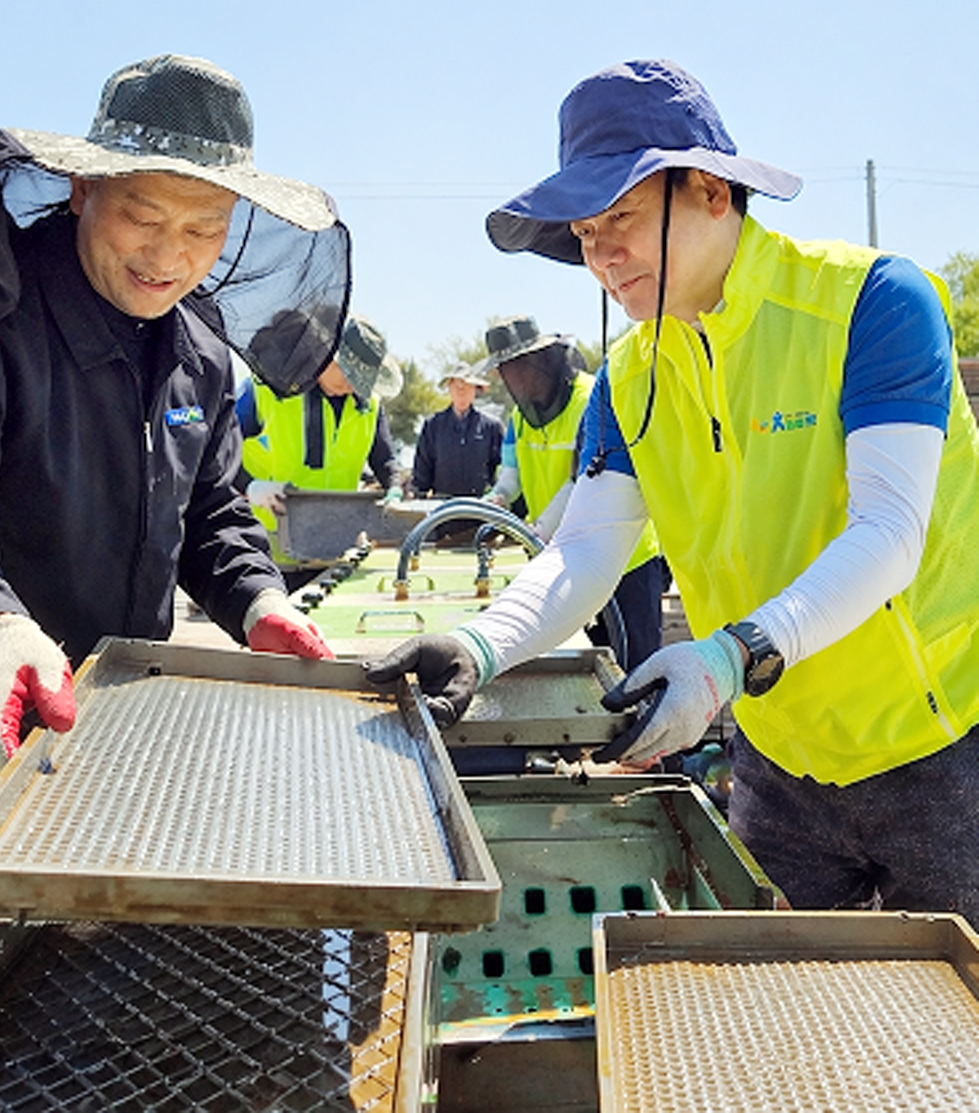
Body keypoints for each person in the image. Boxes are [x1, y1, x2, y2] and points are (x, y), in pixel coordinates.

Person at [366, 58, 979, 925]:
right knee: (789, 1013)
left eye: (619, 216)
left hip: (941, 749)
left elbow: (890, 531)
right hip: (777, 758)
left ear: (711, 191)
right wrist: (479, 642)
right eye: (582, 234)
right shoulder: (629, 376)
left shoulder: (872, 303)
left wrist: (729, 656)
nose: (601, 256)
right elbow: (584, 550)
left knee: (956, 1034)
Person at [0, 53, 350, 782]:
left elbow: (212, 511)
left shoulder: (202, 348)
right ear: (85, 188)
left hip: (120, 718)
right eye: (142, 217)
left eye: (202, 230)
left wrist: (257, 598)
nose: (167, 257)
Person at [484, 313, 668, 668]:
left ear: (545, 360)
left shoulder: (590, 399)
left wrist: (539, 531)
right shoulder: (521, 417)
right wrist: (497, 501)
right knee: (590, 668)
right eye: (508, 369)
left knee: (637, 669)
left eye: (523, 365)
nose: (518, 377)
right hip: (564, 558)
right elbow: (511, 475)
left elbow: (584, 479)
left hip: (626, 558)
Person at [237, 313, 404, 586]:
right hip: (270, 552)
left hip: (335, 551)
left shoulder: (369, 404)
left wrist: (395, 488)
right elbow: (216, 448)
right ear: (324, 355)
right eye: (348, 373)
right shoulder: (266, 388)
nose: (352, 386)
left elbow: (385, 460)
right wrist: (249, 486)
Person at [410, 362, 503, 543]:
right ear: (449, 388)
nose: (461, 389)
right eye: (456, 384)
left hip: (480, 515)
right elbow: (422, 472)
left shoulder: (492, 427)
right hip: (443, 515)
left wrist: (498, 498)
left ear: (475, 389)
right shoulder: (433, 426)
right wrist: (418, 498)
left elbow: (501, 471)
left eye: (466, 385)